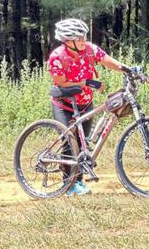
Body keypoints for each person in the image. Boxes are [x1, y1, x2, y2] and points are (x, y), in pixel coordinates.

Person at [48, 18, 131, 196]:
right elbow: (61, 82)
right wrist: (87, 81)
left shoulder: (89, 50)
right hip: (65, 105)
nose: (83, 40)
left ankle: (78, 181)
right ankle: (68, 185)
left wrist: (128, 69)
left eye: (84, 36)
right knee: (70, 142)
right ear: (67, 41)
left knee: (83, 143)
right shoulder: (57, 56)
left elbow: (108, 61)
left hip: (85, 103)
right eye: (79, 38)